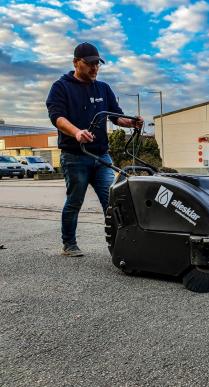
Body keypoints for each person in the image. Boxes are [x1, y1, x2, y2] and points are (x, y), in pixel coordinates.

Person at [46, 42, 143, 257]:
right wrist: (77, 132)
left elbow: (116, 116)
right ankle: (69, 243)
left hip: (101, 156)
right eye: (89, 64)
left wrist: (131, 123)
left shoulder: (103, 88)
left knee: (112, 201)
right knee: (75, 201)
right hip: (75, 156)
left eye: (97, 64)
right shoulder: (61, 87)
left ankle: (122, 245)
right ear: (76, 63)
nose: (94, 68)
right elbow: (57, 117)